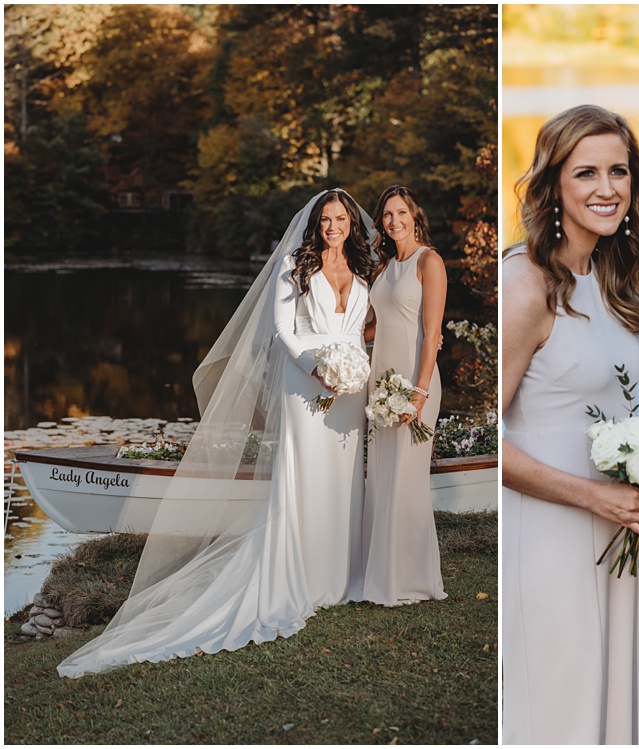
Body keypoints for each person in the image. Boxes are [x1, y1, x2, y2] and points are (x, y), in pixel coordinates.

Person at [58, 189, 372, 677]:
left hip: (348, 390)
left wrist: (357, 371)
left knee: (340, 479)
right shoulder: (295, 264)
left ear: (351, 223)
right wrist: (316, 367)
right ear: (315, 222)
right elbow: (282, 331)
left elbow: (355, 332)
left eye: (341, 218)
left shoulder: (361, 267)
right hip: (304, 382)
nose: (334, 226)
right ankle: (299, 579)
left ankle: (337, 575)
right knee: (304, 478)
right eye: (326, 219)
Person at [502, 104, 639, 745]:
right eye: (586, 173)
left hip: (622, 533)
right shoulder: (527, 282)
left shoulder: (614, 279)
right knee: (558, 699)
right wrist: (594, 494)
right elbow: (490, 439)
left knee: (613, 697)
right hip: (553, 532)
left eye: (618, 172)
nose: (606, 189)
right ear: (554, 186)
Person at [361, 185, 448, 606]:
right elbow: (379, 326)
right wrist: (341, 341)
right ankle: (382, 573)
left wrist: (419, 393)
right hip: (381, 383)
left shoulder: (428, 262)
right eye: (387, 216)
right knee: (383, 477)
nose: (394, 222)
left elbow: (431, 334)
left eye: (401, 213)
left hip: (415, 382)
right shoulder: (384, 268)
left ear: (415, 215)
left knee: (406, 479)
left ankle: (409, 579)